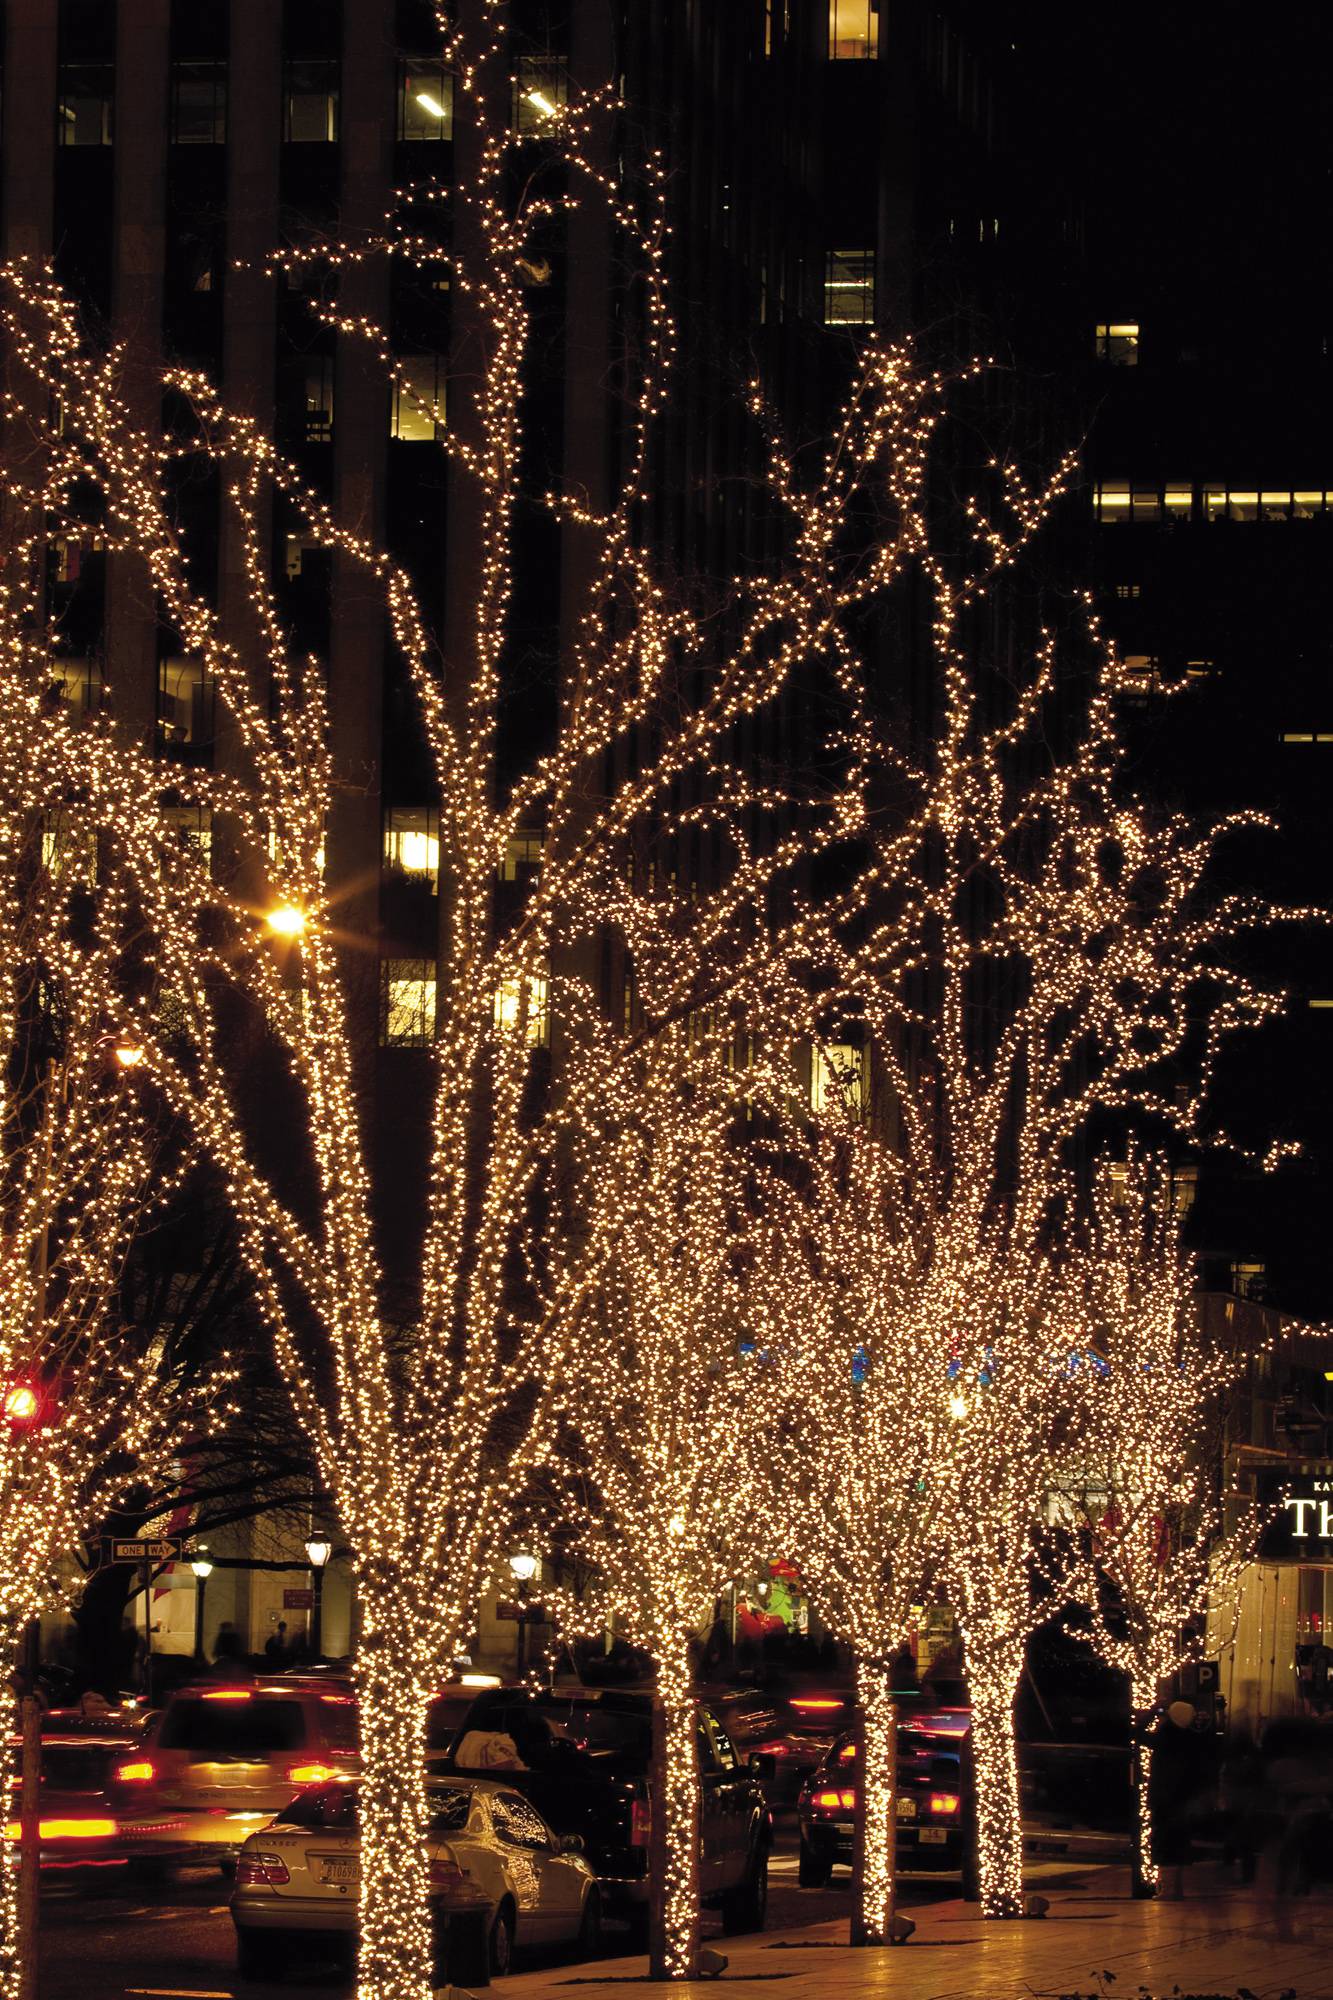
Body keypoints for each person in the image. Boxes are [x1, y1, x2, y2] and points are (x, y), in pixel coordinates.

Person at [1147, 1700, 1215, 1898]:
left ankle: (1168, 1889)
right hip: (1183, 1799)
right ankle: (1176, 1888)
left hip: (1165, 1799)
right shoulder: (1191, 1739)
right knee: (1178, 1841)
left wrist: (1152, 1714)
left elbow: (1137, 1735)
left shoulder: (1165, 1737)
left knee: (1164, 1841)